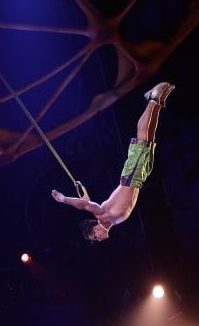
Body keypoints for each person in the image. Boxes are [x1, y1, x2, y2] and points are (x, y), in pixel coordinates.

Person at [50, 81, 176, 242]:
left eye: (95, 236)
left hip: (131, 177)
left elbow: (85, 205)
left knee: (143, 138)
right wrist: (84, 200)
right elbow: (86, 202)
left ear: (95, 228)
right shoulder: (110, 219)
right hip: (138, 178)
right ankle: (158, 100)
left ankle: (153, 98)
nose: (98, 238)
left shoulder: (103, 215)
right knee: (149, 138)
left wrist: (64, 200)